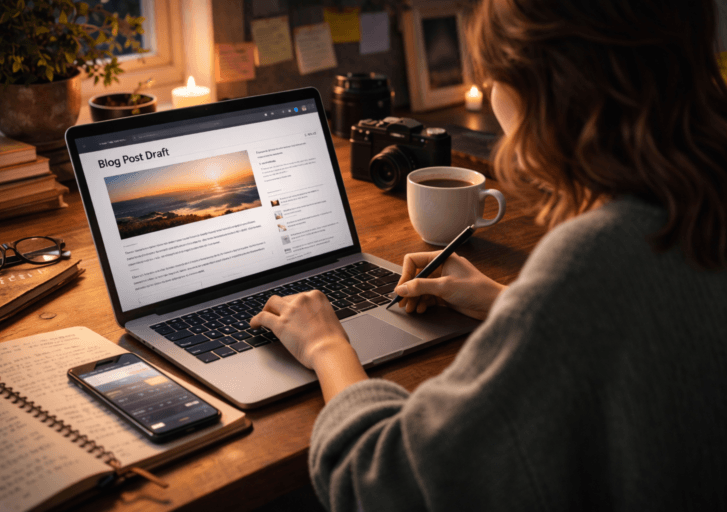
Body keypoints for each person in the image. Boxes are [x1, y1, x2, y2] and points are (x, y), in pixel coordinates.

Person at [250, 0, 727, 509]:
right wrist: (510, 304)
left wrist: (326, 346)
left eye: (495, 75)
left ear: (543, 85)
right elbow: (639, 329)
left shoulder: (594, 256)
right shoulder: (700, 202)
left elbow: (384, 483)